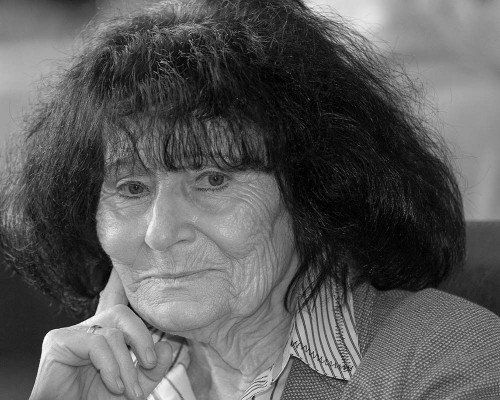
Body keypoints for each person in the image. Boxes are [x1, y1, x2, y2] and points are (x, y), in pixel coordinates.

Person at [1, 0, 499, 399]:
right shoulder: (108, 383)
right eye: (132, 188)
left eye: (212, 179)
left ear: (312, 192)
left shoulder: (445, 362)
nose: (159, 232)